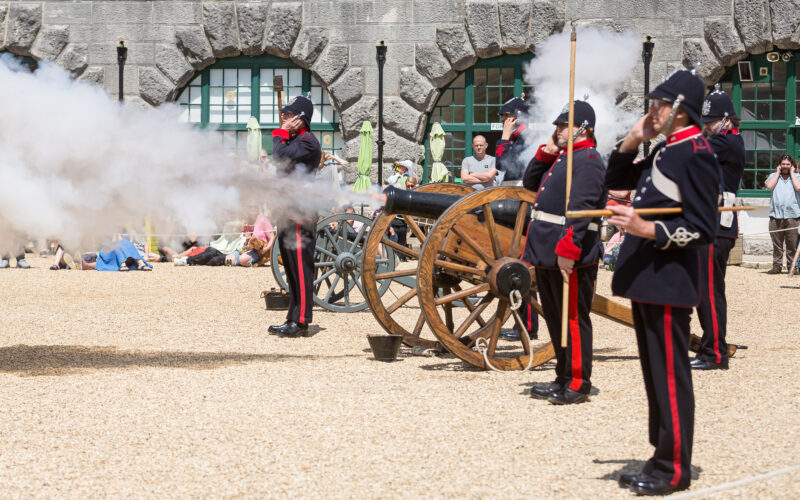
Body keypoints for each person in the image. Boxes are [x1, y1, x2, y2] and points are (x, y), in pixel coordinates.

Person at [605, 70, 719, 495]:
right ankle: (660, 456)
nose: (652, 110)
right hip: (646, 279)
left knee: (670, 376)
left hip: (668, 278)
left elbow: (704, 227)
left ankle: (674, 470)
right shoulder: (666, 150)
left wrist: (647, 230)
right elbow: (615, 180)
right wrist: (633, 139)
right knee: (655, 376)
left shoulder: (697, 153)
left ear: (680, 110)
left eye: (659, 104)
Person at [523, 100, 606, 405]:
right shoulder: (563, 158)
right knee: (556, 319)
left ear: (585, 129)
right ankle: (562, 375)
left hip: (570, 252)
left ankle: (579, 381)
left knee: (572, 319)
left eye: (563, 125)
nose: (557, 130)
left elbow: (582, 209)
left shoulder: (588, 159)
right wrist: (547, 151)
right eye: (557, 125)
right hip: (547, 248)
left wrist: (568, 250)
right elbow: (531, 183)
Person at [692, 86, 745, 371]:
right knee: (708, 290)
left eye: (711, 121)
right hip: (711, 222)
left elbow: (691, 153)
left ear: (725, 120)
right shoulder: (725, 140)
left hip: (715, 224)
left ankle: (714, 353)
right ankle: (712, 346)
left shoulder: (726, 141)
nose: (707, 126)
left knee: (709, 291)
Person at [267, 96, 322, 338]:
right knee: (290, 269)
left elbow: (280, 156)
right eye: (283, 114)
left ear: (300, 119)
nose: (283, 117)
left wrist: (280, 132)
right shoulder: (296, 140)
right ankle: (292, 316)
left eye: (288, 115)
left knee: (301, 268)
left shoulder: (308, 142)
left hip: (300, 212)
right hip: (286, 209)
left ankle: (301, 322)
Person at [764, 154, 800, 274]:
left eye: (788, 164)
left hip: (792, 216)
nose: (785, 166)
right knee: (777, 244)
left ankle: (792, 267)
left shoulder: (797, 177)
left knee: (791, 245)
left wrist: (793, 173)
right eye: (783, 164)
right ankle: (777, 266)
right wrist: (777, 173)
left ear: (792, 166)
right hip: (776, 216)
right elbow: (769, 186)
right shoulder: (773, 176)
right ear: (780, 165)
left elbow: (798, 187)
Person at [494, 97, 530, 183]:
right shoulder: (513, 139)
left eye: (506, 115)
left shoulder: (526, 139)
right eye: (502, 116)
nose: (502, 119)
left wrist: (505, 137)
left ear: (518, 119)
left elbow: (502, 164)